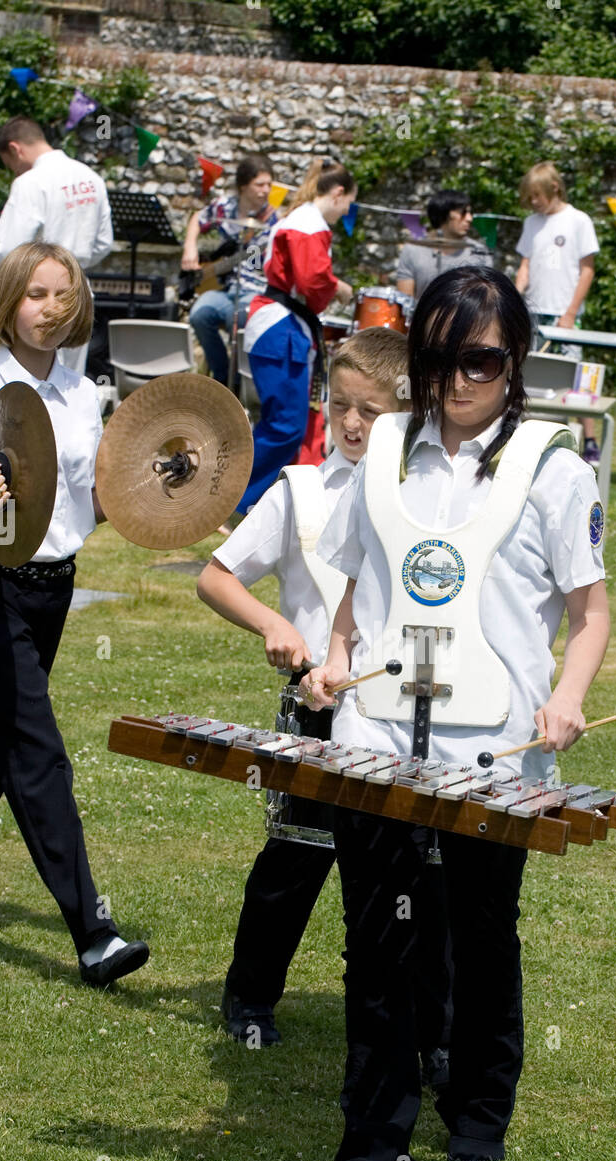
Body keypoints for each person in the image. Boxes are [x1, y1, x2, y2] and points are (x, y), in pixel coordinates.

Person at [284, 265, 609, 1161]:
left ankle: (477, 1105)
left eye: (480, 360)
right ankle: (375, 1151)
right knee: (376, 939)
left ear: (515, 363)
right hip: (375, 734)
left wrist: (568, 701)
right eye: (440, 358)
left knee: (477, 926)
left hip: (492, 750)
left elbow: (587, 614)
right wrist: (335, 662)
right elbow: (354, 582)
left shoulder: (555, 465)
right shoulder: (381, 445)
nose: (458, 379)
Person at [197, 328, 451, 1078]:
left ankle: (429, 1036)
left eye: (368, 412)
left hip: (408, 713)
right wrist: (277, 625)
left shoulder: (428, 499)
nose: (348, 424)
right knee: (296, 860)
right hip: (316, 703)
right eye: (338, 405)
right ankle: (249, 997)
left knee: (421, 876)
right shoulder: (300, 490)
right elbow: (216, 576)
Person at [0, 243, 149, 988]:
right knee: (37, 753)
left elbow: (91, 506)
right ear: (7, 301)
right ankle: (93, 933)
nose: (51, 308)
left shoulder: (85, 395)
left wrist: (164, 477)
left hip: (55, 589)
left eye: (64, 294)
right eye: (35, 294)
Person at [236, 158, 355, 515]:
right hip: (280, 327)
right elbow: (313, 282)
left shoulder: (303, 219)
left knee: (300, 421)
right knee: (286, 424)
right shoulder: (307, 225)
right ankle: (238, 499)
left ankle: (295, 503)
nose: (349, 209)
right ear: (337, 193)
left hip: (284, 325)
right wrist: (339, 288)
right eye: (350, 201)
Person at [0, 117, 113, 376]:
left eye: (9, 163)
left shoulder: (30, 182)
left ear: (15, 149)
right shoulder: (91, 178)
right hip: (77, 292)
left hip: (34, 298)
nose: (14, 170)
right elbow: (104, 243)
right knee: (69, 381)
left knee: (27, 385)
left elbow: (6, 251)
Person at [515, 160, 601, 463]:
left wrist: (571, 312)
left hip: (564, 315)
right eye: (530, 198)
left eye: (538, 195)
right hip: (534, 314)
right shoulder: (531, 223)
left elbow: (587, 270)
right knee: (529, 374)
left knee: (575, 378)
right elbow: (525, 266)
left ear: (554, 188)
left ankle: (590, 440)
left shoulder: (579, 220)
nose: (534, 202)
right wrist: (515, 296)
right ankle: (523, 436)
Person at [182, 155, 278, 385]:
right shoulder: (224, 206)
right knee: (199, 314)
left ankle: (237, 385)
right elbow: (198, 218)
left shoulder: (273, 219)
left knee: (241, 320)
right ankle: (221, 375)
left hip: (254, 289)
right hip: (225, 287)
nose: (266, 191)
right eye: (260, 185)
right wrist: (189, 248)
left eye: (269, 185)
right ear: (244, 185)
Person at [395, 190, 492, 301]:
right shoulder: (412, 251)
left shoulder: (480, 252)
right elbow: (405, 302)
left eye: (470, 213)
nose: (470, 218)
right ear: (444, 214)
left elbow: (488, 300)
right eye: (463, 212)